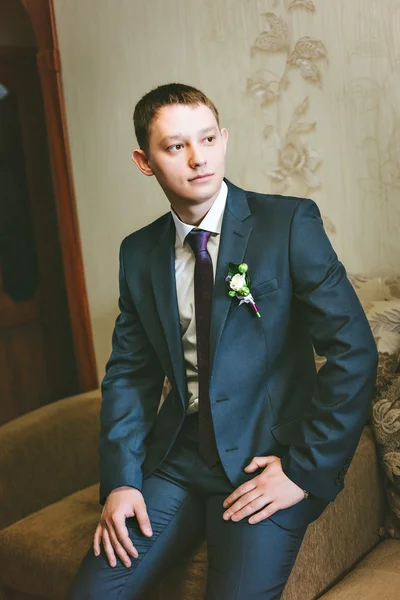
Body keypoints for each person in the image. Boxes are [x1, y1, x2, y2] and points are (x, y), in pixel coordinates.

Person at [68, 83, 378, 600]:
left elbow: (354, 351)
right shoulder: (139, 254)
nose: (198, 159)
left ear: (224, 138)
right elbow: (130, 374)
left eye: (208, 139)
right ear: (144, 162)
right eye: (175, 147)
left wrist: (302, 471)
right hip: (179, 456)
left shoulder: (288, 223)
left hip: (267, 455)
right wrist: (122, 481)